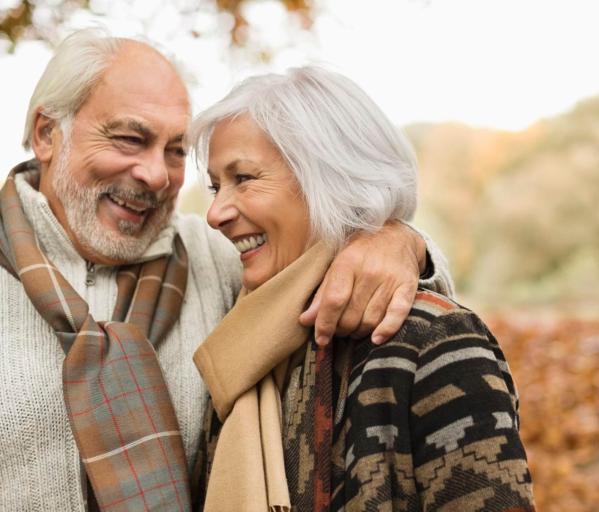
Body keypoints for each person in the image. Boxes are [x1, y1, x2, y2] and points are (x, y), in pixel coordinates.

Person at [0, 30, 453, 511]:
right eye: (131, 139)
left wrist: (400, 241)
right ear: (48, 134)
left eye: (175, 150)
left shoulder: (214, 259)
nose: (156, 175)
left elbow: (318, 252)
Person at [189, 67, 535, 511]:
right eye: (216, 186)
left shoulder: (435, 343)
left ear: (331, 178)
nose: (215, 213)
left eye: (245, 178)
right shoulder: (246, 348)